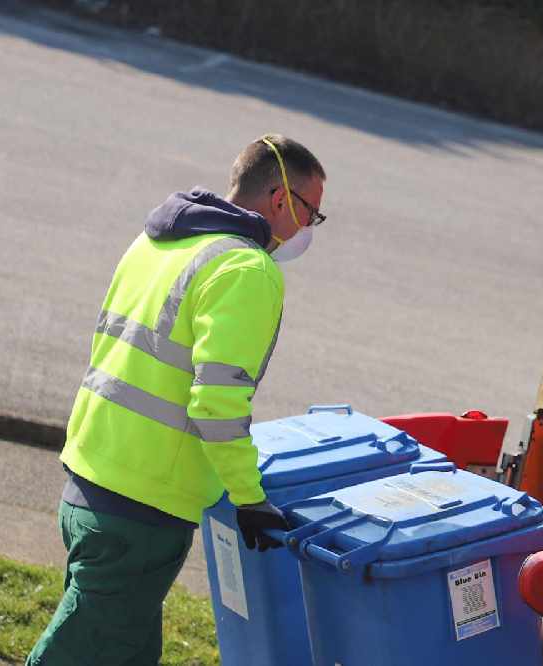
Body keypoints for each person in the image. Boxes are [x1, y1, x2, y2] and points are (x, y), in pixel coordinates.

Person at [26, 134, 326, 665]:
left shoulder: (158, 241)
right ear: (281, 199)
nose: (307, 230)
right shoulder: (246, 268)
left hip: (89, 476)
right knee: (81, 650)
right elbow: (217, 402)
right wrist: (249, 497)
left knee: (126, 651)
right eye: (311, 213)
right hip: (141, 510)